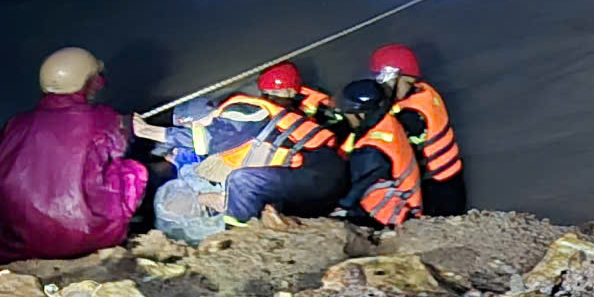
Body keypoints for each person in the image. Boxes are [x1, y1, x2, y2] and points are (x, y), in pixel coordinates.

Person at [0, 48, 149, 266]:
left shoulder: (17, 124)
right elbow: (116, 150)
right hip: (84, 236)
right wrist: (126, 127)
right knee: (134, 170)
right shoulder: (103, 118)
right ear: (88, 82)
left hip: (16, 240)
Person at [176, 77, 348, 228]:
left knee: (242, 181)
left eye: (273, 93)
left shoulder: (255, 122)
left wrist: (204, 199)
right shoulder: (280, 116)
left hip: (319, 177)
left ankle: (240, 230)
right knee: (247, 182)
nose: (271, 97)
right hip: (323, 168)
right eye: (268, 93)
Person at [365, 44, 464, 215]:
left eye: (384, 81)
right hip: (448, 177)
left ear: (399, 79)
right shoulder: (424, 93)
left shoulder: (410, 115)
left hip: (437, 188)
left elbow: (398, 149)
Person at [334, 80, 424, 229]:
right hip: (408, 201)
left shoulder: (371, 150)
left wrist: (341, 207)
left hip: (390, 215)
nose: (345, 116)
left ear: (361, 114)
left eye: (348, 113)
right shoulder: (387, 123)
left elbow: (361, 185)